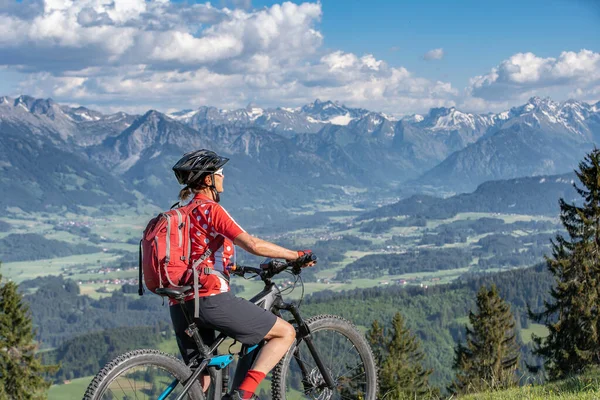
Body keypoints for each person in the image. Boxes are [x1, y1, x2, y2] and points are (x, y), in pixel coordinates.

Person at [169, 149, 315, 400]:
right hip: (211, 300)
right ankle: (244, 395)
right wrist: (295, 255)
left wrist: (233, 268)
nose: (224, 177)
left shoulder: (180, 213)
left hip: (180, 303)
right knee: (285, 332)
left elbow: (195, 254)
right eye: (220, 173)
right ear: (208, 180)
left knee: (200, 380)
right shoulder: (211, 210)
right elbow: (253, 245)